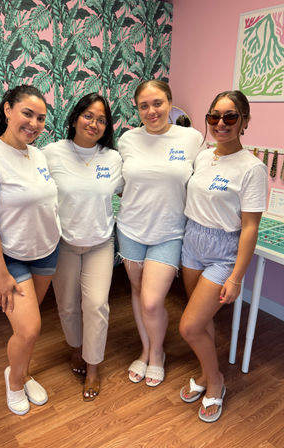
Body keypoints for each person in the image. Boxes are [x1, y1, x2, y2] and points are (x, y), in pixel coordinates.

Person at [0, 85, 61, 416]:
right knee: (29, 328)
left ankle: (23, 370)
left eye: (41, 118)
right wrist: (2, 274)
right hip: (11, 258)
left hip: (46, 251)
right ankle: (15, 381)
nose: (34, 123)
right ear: (8, 110)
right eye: (27, 113)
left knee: (27, 331)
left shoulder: (38, 154)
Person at [179, 90, 267, 423]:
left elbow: (249, 228)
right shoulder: (203, 156)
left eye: (230, 117)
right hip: (192, 243)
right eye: (214, 116)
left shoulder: (252, 169)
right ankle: (205, 373)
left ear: (244, 121)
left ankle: (215, 381)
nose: (220, 124)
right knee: (202, 322)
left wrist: (236, 277)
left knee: (189, 326)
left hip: (222, 252)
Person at [116, 79, 204, 386]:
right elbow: (120, 183)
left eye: (157, 103)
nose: (151, 111)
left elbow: (203, 180)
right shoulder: (127, 140)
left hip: (169, 231)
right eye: (144, 106)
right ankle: (147, 350)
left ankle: (157, 353)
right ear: (137, 109)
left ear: (169, 102)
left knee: (153, 301)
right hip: (131, 228)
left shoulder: (191, 138)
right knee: (139, 294)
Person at [42, 93, 123, 401]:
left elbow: (127, 192)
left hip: (100, 243)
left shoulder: (112, 158)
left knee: (97, 305)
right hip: (62, 243)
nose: (94, 123)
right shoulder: (52, 153)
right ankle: (76, 349)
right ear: (75, 117)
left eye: (101, 119)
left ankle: (93, 367)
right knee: (66, 305)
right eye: (88, 115)